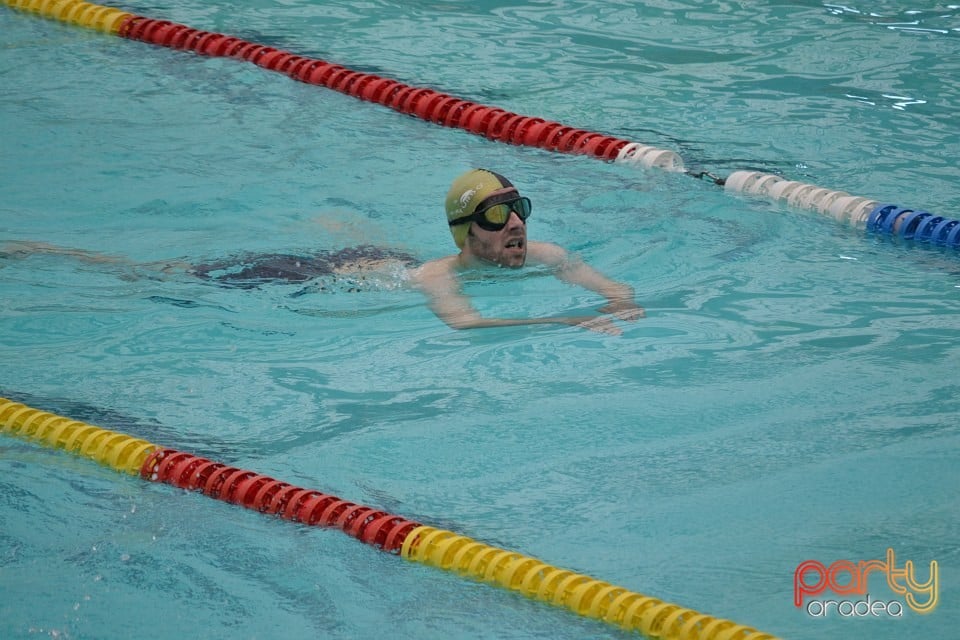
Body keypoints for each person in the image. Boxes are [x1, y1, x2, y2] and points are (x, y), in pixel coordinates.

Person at [411, 168, 644, 335]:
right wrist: (560, 321)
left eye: (519, 209)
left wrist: (621, 302)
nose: (516, 223)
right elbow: (466, 323)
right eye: (497, 214)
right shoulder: (436, 276)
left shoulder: (546, 255)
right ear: (466, 231)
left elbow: (616, 289)